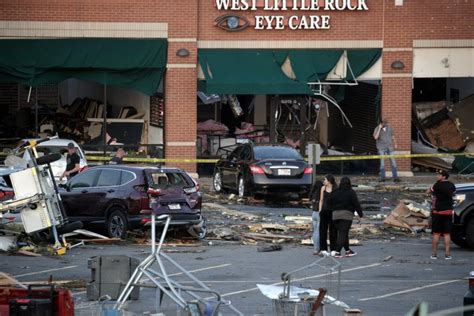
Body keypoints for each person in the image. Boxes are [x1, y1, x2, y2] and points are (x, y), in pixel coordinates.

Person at [327, 176, 363, 258]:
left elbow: (328, 202)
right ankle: (337, 252)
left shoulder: (335, 192)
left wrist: (333, 210)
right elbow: (356, 204)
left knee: (343, 233)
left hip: (335, 216)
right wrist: (360, 215)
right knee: (343, 233)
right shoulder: (351, 192)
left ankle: (347, 250)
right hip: (346, 216)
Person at [428, 170, 456, 260]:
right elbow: (454, 193)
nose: (437, 176)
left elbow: (428, 191)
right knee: (447, 234)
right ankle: (447, 255)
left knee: (436, 234)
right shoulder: (452, 185)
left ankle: (434, 254)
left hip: (438, 212)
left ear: (444, 176)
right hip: (448, 211)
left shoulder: (436, 185)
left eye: (439, 175)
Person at [318, 174, 338, 256]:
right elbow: (321, 200)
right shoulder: (323, 188)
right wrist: (320, 211)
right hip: (324, 212)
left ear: (329, 181)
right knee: (323, 230)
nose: (324, 181)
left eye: (325, 180)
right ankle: (323, 249)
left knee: (333, 231)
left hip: (333, 212)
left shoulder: (336, 189)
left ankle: (333, 249)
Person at [309, 180, 324, 256]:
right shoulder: (321, 193)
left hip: (314, 213)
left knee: (315, 231)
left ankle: (315, 248)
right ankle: (319, 249)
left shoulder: (313, 194)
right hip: (319, 213)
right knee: (319, 232)